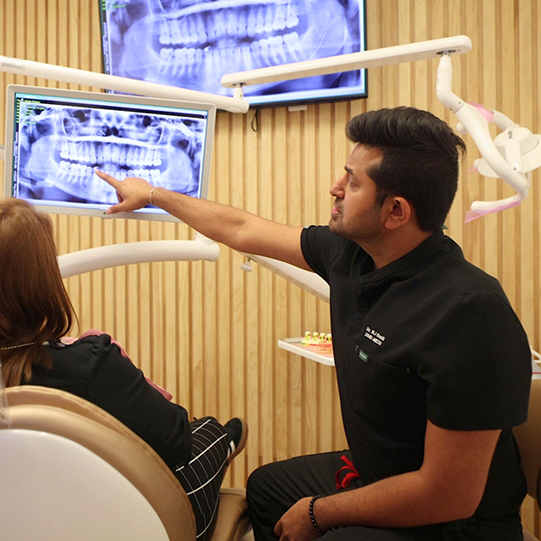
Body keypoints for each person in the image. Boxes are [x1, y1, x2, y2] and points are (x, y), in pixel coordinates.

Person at [95, 106, 532, 541]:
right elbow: (243, 227)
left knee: (322, 527)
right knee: (267, 491)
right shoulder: (352, 255)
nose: (335, 188)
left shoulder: (468, 312)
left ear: (396, 211)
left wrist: (321, 512)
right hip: (379, 474)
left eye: (352, 181)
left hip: (454, 523)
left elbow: (447, 495)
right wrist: (153, 194)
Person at [0, 198, 248, 541]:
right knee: (204, 431)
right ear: (43, 279)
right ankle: (226, 438)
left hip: (21, 520)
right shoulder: (90, 362)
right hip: (121, 523)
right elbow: (177, 441)